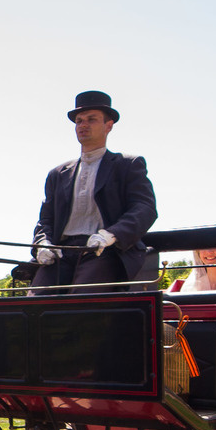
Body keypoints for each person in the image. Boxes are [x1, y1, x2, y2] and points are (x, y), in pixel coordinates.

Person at [30, 90, 158, 292]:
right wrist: (43, 244)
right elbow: (45, 220)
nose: (83, 125)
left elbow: (145, 208)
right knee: (34, 301)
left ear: (109, 126)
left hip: (105, 251)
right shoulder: (57, 174)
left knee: (83, 300)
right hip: (62, 254)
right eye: (79, 121)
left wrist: (110, 235)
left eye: (91, 119)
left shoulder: (128, 165)